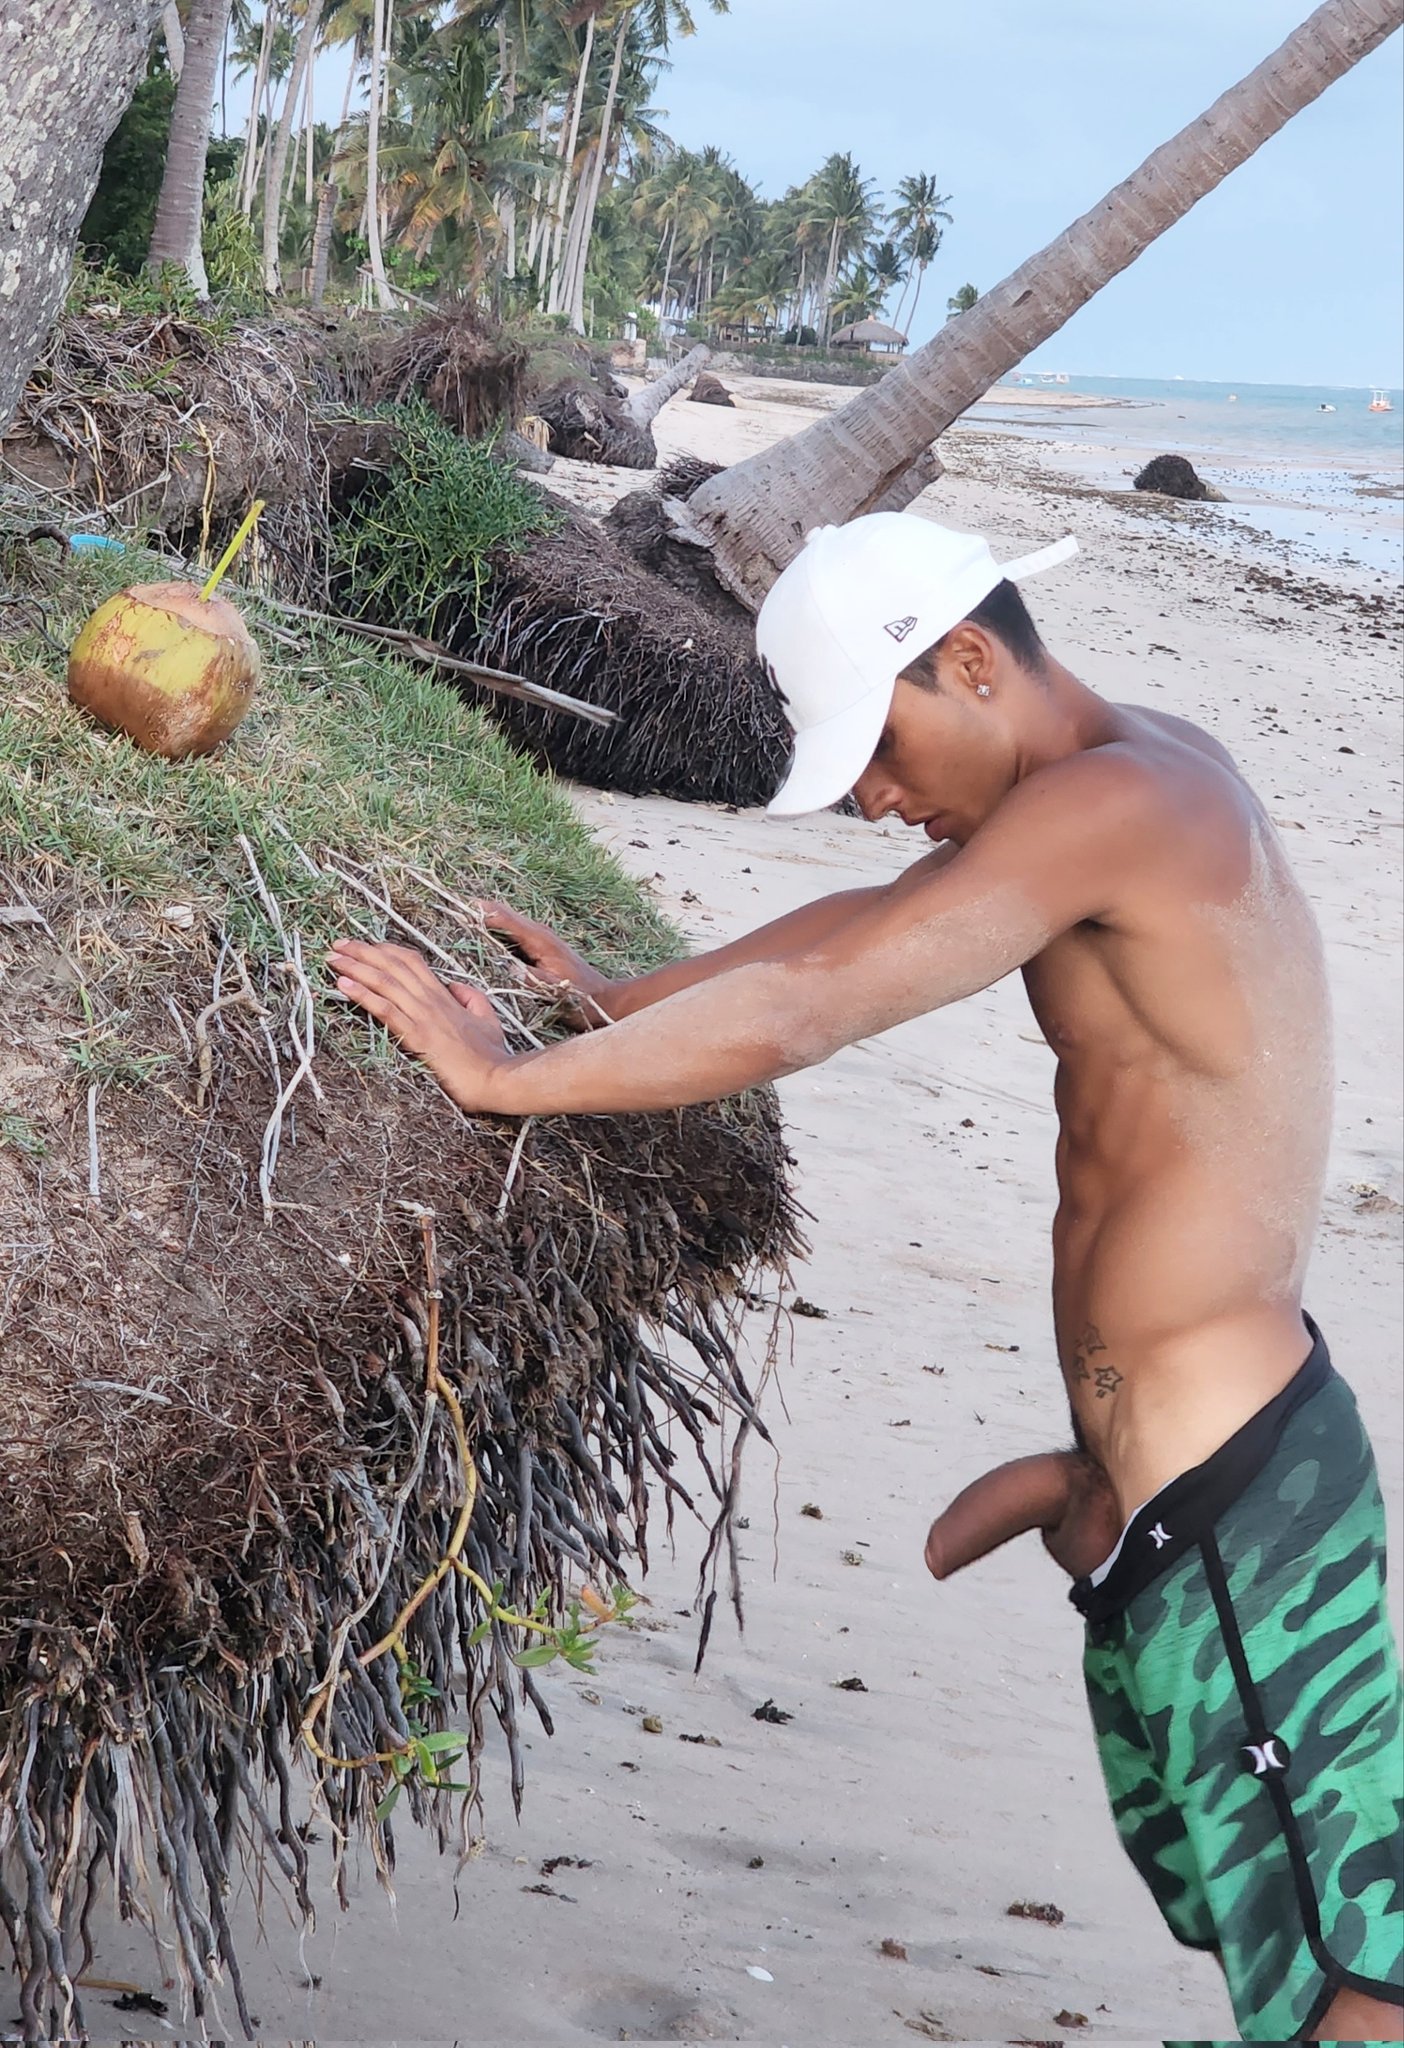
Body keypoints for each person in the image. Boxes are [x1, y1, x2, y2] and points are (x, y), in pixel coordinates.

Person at [329, 513, 1403, 2043]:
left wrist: (506, 1080)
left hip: (1237, 1492)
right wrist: (616, 996)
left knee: (1350, 1971)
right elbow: (868, 925)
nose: (879, 798)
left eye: (883, 757)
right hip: (1177, 1480)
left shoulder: (1123, 804)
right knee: (1264, 1925)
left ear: (970, 662)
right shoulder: (1129, 776)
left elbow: (825, 1005)